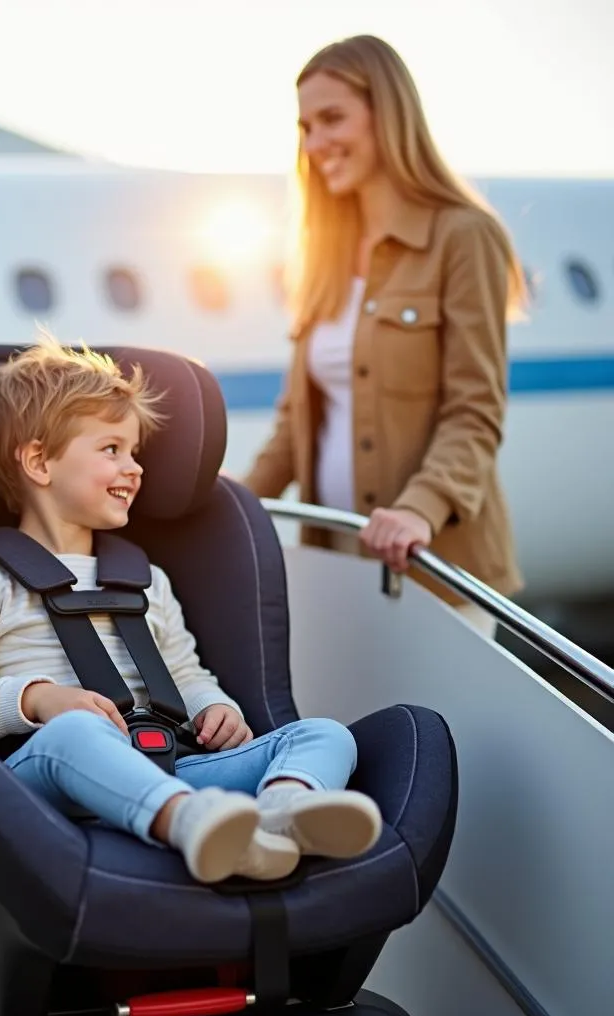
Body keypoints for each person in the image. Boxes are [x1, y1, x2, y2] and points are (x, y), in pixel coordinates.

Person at [0, 339, 382, 885]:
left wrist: (215, 707)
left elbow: (186, 673)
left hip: (166, 760)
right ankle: (189, 823)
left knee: (324, 735)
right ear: (40, 461)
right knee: (77, 735)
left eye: (135, 452)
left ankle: (279, 817)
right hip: (43, 768)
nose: (134, 468)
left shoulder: (146, 579)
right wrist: (41, 699)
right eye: (112, 449)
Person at [243, 35, 525, 636]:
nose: (316, 145)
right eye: (305, 128)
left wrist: (417, 511)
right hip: (337, 566)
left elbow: (475, 412)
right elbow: (296, 427)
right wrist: (228, 506)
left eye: (332, 119)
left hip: (435, 569)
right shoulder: (320, 255)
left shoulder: (463, 237)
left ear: (389, 114)